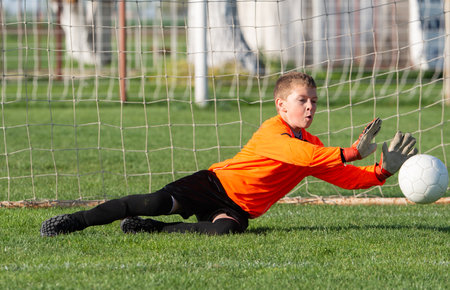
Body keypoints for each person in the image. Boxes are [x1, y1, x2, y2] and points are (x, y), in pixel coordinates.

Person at [40, 72, 418, 237]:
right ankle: (74, 221)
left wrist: (381, 171)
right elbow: (299, 156)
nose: (309, 108)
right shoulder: (273, 131)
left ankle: (153, 230)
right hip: (212, 184)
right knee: (152, 200)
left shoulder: (315, 147)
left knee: (225, 230)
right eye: (302, 100)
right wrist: (351, 151)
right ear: (281, 104)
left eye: (314, 102)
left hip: (238, 207)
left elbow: (341, 176)